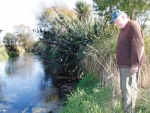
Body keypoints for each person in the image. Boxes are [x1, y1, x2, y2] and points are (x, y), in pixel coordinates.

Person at [110, 10, 146, 112]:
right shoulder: (124, 28)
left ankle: (129, 111)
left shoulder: (132, 25)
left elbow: (138, 45)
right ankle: (129, 109)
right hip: (125, 65)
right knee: (127, 88)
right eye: (115, 22)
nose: (116, 24)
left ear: (123, 17)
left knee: (128, 89)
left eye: (117, 21)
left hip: (129, 65)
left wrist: (135, 64)